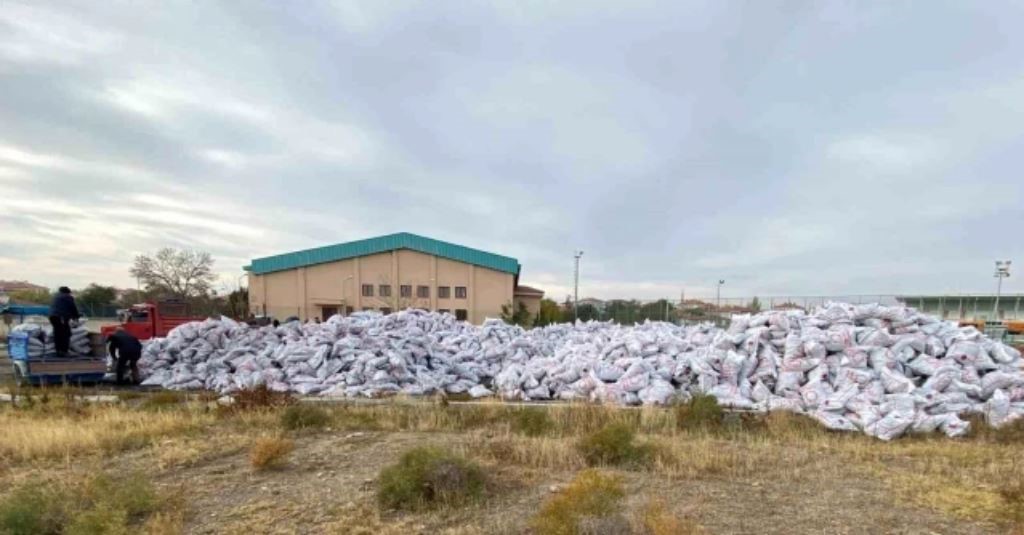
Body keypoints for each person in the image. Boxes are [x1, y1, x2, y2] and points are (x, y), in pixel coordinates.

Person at [48, 286, 80, 357]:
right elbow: (73, 308)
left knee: (57, 333)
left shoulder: (56, 297)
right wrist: (76, 317)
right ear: (68, 292)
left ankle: (58, 351)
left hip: (52, 316)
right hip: (61, 317)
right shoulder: (68, 297)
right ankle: (64, 351)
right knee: (65, 333)